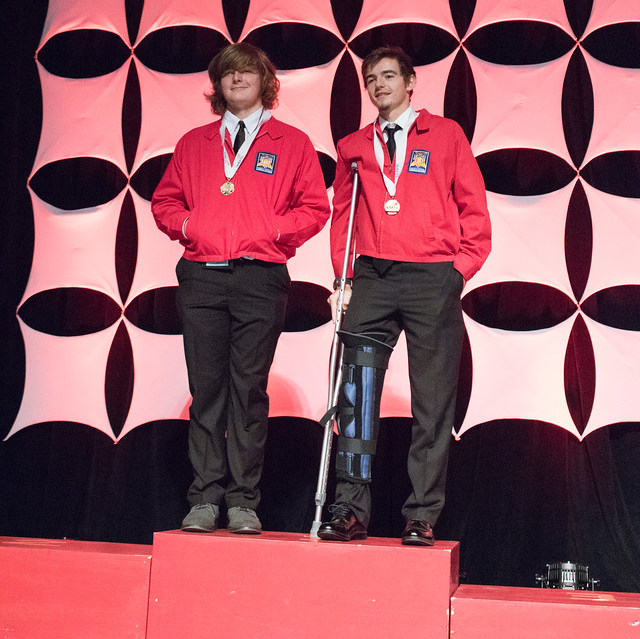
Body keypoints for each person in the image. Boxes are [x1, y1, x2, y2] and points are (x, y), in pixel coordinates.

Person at [151, 42, 330, 535]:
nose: (236, 79)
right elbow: (165, 200)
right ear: (217, 86)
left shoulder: (291, 143)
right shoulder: (194, 143)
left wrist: (272, 233)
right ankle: (205, 498)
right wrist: (190, 227)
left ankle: (244, 501)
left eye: (247, 72)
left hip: (260, 276)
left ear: (266, 83)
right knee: (206, 390)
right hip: (202, 275)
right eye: (227, 73)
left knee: (248, 392)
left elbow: (315, 208)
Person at [318, 46, 491, 546]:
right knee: (357, 396)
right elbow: (343, 218)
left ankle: (421, 514)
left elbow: (473, 206)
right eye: (370, 79)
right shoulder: (353, 146)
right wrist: (343, 279)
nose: (378, 85)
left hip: (432, 278)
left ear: (411, 82)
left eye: (388, 76)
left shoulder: (446, 135)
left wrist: (458, 271)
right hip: (372, 278)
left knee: (432, 402)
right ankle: (349, 509)